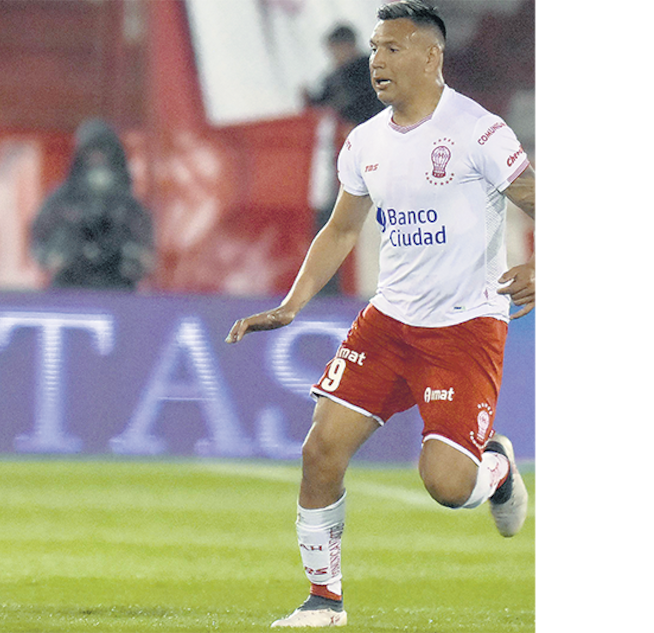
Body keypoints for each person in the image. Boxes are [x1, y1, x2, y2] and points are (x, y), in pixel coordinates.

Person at [226, 1, 536, 627]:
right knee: (320, 452)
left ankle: (495, 469)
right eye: (373, 49)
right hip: (388, 323)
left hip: (464, 327)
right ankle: (324, 599)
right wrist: (292, 304)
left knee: (448, 485)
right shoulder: (364, 142)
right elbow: (341, 229)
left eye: (392, 48)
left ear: (431, 56)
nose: (377, 62)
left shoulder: (479, 132)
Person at [304, 23, 384, 294]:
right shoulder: (336, 76)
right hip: (343, 161)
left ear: (346, 46)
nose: (334, 56)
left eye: (336, 50)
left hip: (373, 159)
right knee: (333, 219)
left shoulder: (368, 71)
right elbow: (320, 100)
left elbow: (367, 106)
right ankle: (330, 283)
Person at [31, 118, 155, 290]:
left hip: (117, 287)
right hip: (69, 286)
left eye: (103, 151)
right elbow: (39, 236)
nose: (98, 159)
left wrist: (131, 258)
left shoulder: (128, 205)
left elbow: (146, 250)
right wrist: (55, 256)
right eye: (91, 152)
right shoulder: (63, 199)